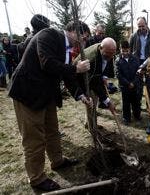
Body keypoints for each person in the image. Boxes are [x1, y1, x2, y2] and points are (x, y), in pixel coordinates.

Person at [8, 21, 92, 192]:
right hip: (28, 93)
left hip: (46, 95)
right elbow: (47, 63)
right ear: (72, 31)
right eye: (83, 38)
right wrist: (76, 68)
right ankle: (37, 178)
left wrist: (81, 95)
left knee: (52, 130)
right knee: (34, 138)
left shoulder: (68, 49)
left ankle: (57, 161)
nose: (83, 43)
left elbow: (67, 75)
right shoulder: (49, 35)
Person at [74, 37, 117, 116]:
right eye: (108, 55)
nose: (111, 57)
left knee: (95, 100)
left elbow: (107, 63)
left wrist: (104, 76)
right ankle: (91, 125)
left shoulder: (107, 51)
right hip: (81, 79)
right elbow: (95, 83)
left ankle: (94, 124)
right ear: (101, 48)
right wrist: (108, 101)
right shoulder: (92, 59)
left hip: (94, 77)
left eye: (112, 54)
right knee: (91, 102)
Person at [116, 40, 142, 125]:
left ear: (129, 49)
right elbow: (118, 75)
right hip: (125, 86)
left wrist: (133, 83)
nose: (125, 53)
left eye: (126, 51)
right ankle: (126, 117)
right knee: (126, 102)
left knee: (136, 101)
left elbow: (138, 72)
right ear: (120, 49)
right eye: (123, 51)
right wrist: (128, 83)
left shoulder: (135, 58)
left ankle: (137, 115)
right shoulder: (118, 60)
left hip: (134, 84)